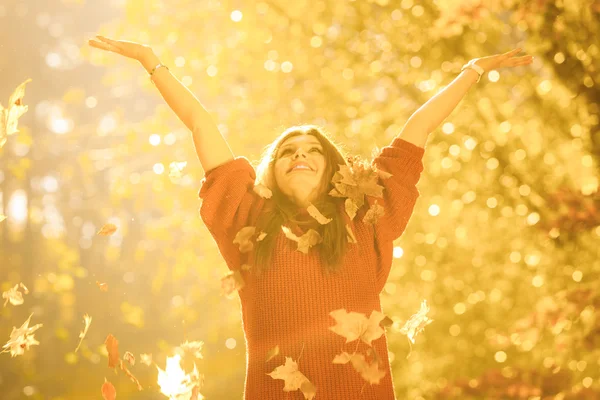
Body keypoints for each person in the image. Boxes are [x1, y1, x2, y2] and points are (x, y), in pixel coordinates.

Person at [88, 35, 533, 399]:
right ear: (272, 172)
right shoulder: (247, 218)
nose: (300, 155)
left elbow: (415, 133)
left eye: (312, 150)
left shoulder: (366, 217)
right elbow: (200, 124)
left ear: (334, 168)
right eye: (288, 151)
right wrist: (153, 63)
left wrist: (471, 71)